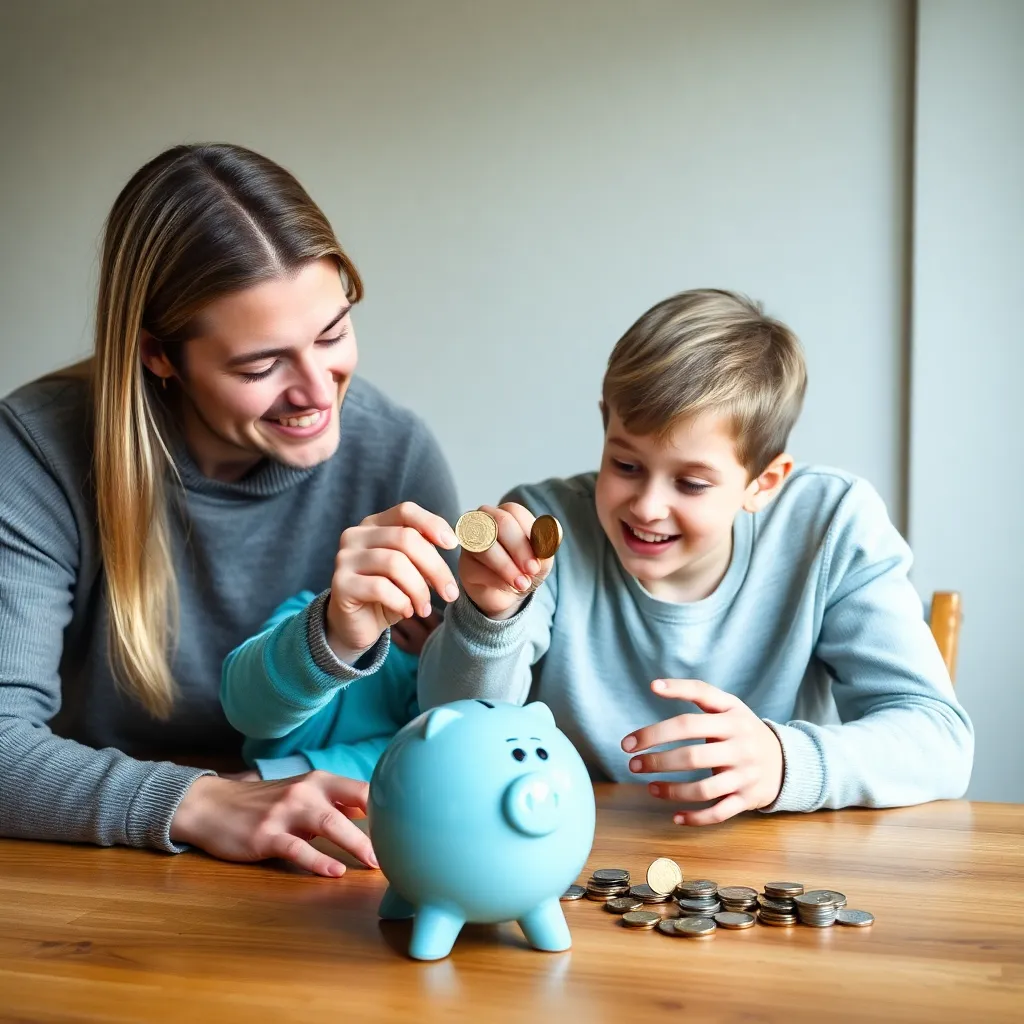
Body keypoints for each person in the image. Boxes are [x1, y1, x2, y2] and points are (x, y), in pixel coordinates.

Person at [0, 143, 462, 877]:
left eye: (333, 333)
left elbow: (445, 720)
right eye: (261, 364)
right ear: (159, 355)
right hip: (92, 869)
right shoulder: (34, 456)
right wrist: (203, 802)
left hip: (325, 853)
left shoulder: (395, 455)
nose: (318, 391)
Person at [417, 289, 974, 824]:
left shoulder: (832, 524)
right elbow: (448, 732)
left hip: (773, 859)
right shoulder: (545, 526)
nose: (648, 507)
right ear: (606, 423)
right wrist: (489, 619)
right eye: (626, 466)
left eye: (691, 483)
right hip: (569, 847)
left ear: (765, 481)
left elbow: (939, 741)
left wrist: (784, 761)